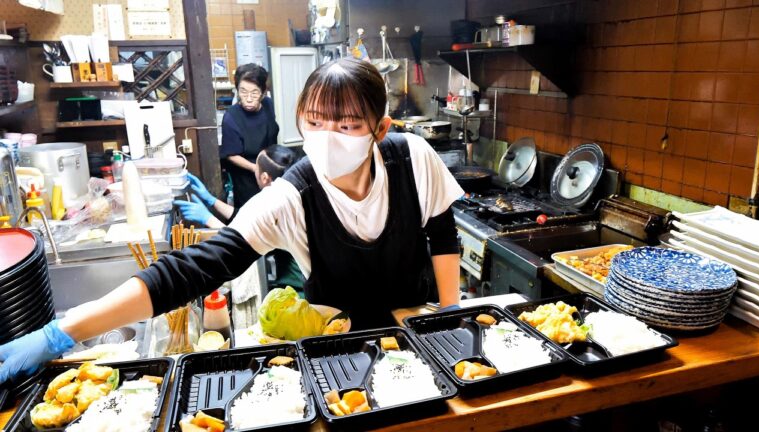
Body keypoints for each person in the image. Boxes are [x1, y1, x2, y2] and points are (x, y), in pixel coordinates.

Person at [0, 58, 463, 384]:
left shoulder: (413, 158)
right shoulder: (292, 196)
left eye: (347, 127)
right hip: (335, 351)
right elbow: (193, 269)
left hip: (414, 329)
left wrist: (450, 318)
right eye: (315, 123)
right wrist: (62, 331)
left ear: (379, 130)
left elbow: (443, 237)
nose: (327, 139)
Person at [174, 145, 305, 289]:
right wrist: (212, 200)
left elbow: (243, 241)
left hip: (299, 291)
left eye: (256, 166)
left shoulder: (278, 206)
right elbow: (249, 221)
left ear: (264, 178)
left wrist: (208, 219)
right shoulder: (290, 193)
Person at [220, 63, 279, 208]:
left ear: (264, 92)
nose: (248, 98)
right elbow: (231, 154)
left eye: (254, 92)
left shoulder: (268, 105)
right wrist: (256, 169)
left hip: (271, 170)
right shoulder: (231, 117)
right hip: (247, 178)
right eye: (243, 92)